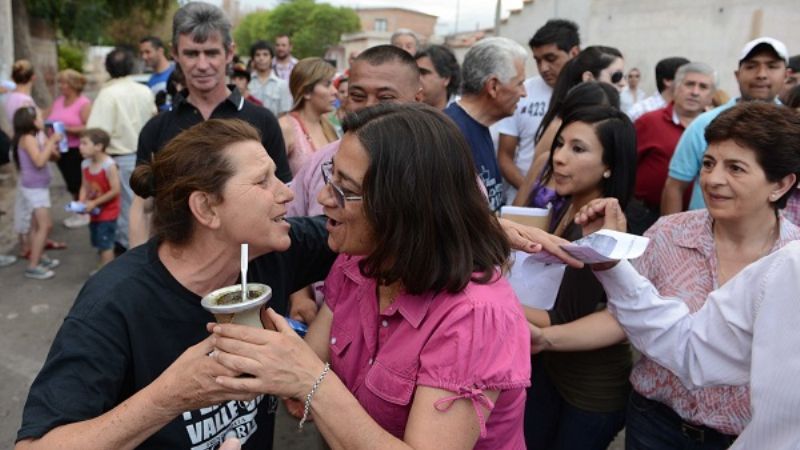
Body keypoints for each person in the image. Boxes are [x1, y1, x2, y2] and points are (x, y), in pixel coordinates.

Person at [209, 102, 531, 449]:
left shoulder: (474, 316)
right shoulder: (357, 263)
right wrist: (266, 354)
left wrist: (310, 382)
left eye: (344, 189)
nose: (322, 198)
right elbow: (313, 361)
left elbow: (312, 376)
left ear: (403, 206)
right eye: (329, 177)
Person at [14, 118, 336, 450]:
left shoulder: (268, 250)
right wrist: (169, 397)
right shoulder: (116, 302)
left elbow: (362, 230)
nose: (287, 192)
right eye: (263, 181)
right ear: (207, 208)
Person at [533, 102, 800, 450]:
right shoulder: (669, 234)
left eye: (735, 168)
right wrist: (549, 336)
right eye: (708, 163)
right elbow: (632, 320)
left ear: (780, 184)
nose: (713, 179)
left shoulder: (788, 262)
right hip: (656, 425)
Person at [129, 1, 291, 249]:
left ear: (229, 52)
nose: (202, 65)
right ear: (175, 53)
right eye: (192, 53)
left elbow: (282, 201)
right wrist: (137, 276)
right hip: (176, 265)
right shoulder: (156, 128)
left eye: (212, 53)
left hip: (250, 265)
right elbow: (144, 209)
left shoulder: (262, 121)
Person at [522, 105, 636, 449]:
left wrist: (487, 290)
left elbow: (560, 316)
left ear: (609, 166)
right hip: (553, 372)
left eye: (578, 148)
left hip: (589, 393)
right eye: (559, 144)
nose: (558, 158)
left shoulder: (601, 225)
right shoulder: (572, 204)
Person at [663, 37, 789, 215]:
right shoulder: (704, 124)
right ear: (737, 75)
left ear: (786, 74)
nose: (761, 74)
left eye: (772, 66)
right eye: (751, 66)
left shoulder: (793, 128)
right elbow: (675, 186)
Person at [514, 45, 625, 206]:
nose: (623, 83)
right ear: (588, 78)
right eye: (616, 76)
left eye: (578, 148)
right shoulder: (557, 128)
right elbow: (533, 182)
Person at [496, 19, 580, 204]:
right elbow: (504, 156)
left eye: (551, 59)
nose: (543, 68)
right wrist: (533, 191)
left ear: (574, 53)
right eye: (537, 60)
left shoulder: (585, 95)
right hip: (521, 203)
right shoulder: (521, 91)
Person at [628, 62, 716, 234]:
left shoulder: (718, 128)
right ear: (675, 87)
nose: (695, 92)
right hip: (643, 216)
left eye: (703, 87)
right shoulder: (648, 122)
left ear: (711, 96)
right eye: (689, 84)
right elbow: (624, 165)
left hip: (698, 221)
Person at [444, 37, 528, 212]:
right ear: (493, 86)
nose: (524, 93)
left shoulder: (479, 126)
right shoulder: (449, 135)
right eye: (519, 83)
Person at [87, 47, 156, 253]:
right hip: (145, 156)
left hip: (120, 158)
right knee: (144, 208)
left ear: (108, 68)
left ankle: (131, 256)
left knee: (127, 210)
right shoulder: (144, 90)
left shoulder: (107, 94)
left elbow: (97, 131)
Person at [11, 106, 62, 279]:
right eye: (40, 117)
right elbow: (39, 162)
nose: (43, 120)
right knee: (44, 226)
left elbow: (51, 157)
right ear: (32, 122)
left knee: (36, 226)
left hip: (37, 187)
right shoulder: (28, 139)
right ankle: (33, 266)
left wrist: (52, 145)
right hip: (34, 189)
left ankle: (37, 256)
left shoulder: (33, 138)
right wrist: (50, 141)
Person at [46, 68, 93, 228]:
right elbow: (47, 117)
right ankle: (78, 210)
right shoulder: (58, 101)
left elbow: (88, 127)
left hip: (76, 149)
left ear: (73, 84)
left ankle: (82, 212)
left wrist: (67, 129)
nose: (60, 86)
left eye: (64, 82)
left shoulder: (83, 103)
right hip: (61, 149)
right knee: (70, 183)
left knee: (77, 182)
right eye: (60, 82)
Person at [279, 57, 338, 176]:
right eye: (327, 85)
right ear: (306, 92)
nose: (335, 91)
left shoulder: (329, 126)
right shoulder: (286, 127)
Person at [78, 128, 120, 271]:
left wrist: (94, 202)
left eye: (84, 143)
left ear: (98, 146)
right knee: (98, 241)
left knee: (106, 242)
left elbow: (115, 190)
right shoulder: (85, 164)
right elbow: (84, 186)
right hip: (94, 212)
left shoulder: (109, 165)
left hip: (108, 212)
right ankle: (104, 266)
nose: (80, 147)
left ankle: (106, 273)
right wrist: (81, 202)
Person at [627, 57, 690, 121]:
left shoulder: (692, 111)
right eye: (687, 80)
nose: (694, 90)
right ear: (668, 81)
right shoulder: (640, 111)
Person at [247, 40, 292, 116]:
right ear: (253, 59)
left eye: (265, 55)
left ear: (272, 58)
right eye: (257, 55)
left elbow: (284, 115)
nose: (261, 58)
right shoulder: (246, 83)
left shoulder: (282, 85)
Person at [414, 44, 460, 110]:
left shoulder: (463, 115)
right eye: (414, 73)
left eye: (423, 73)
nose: (416, 78)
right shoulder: (404, 113)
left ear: (446, 78)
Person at [139, 36, 175, 110]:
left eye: (147, 52)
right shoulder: (150, 81)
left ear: (160, 51)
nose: (144, 57)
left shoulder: (176, 73)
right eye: (142, 53)